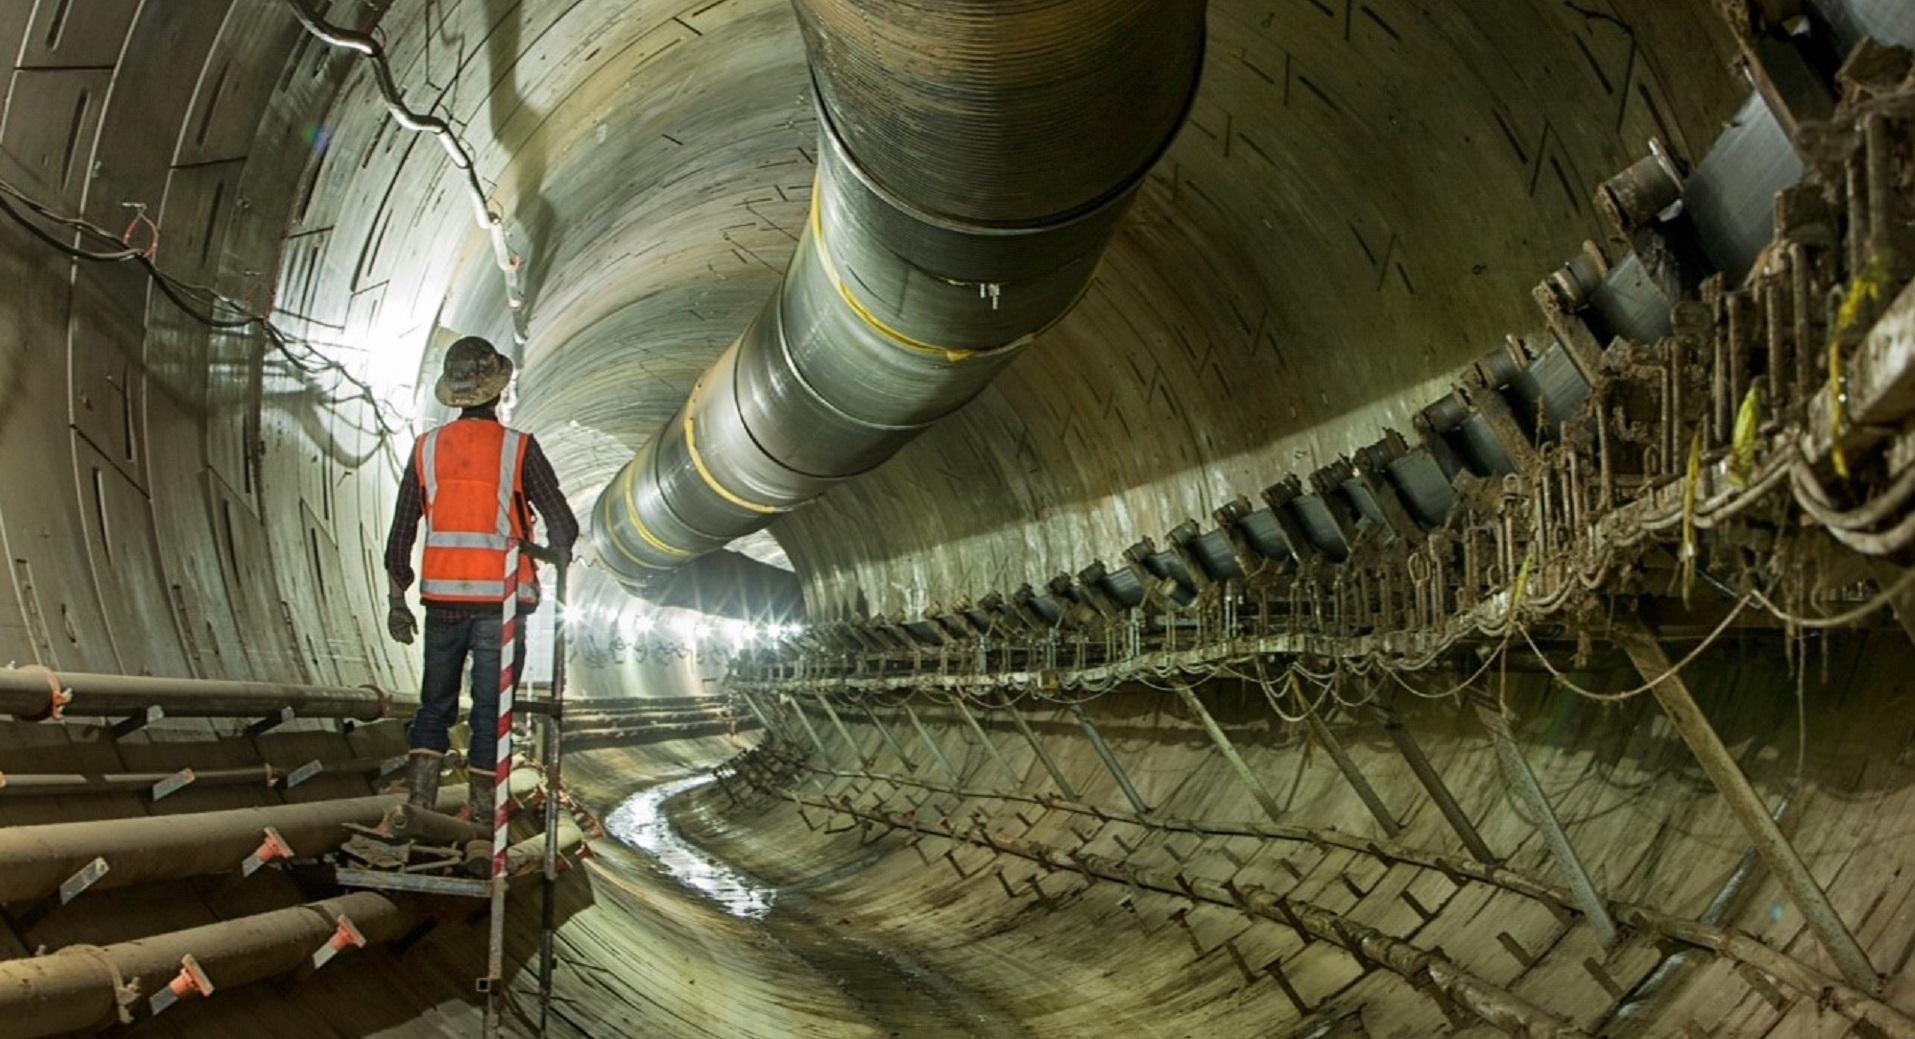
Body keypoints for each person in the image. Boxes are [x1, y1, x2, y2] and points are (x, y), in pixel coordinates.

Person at [383, 336, 577, 821]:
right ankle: (485, 819)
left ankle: (419, 810)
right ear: (498, 392)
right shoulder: (519, 449)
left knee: (434, 708)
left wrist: (396, 599)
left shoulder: (426, 450)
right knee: (491, 713)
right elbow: (563, 523)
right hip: (504, 606)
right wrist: (555, 554)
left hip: (442, 602)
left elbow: (400, 532)